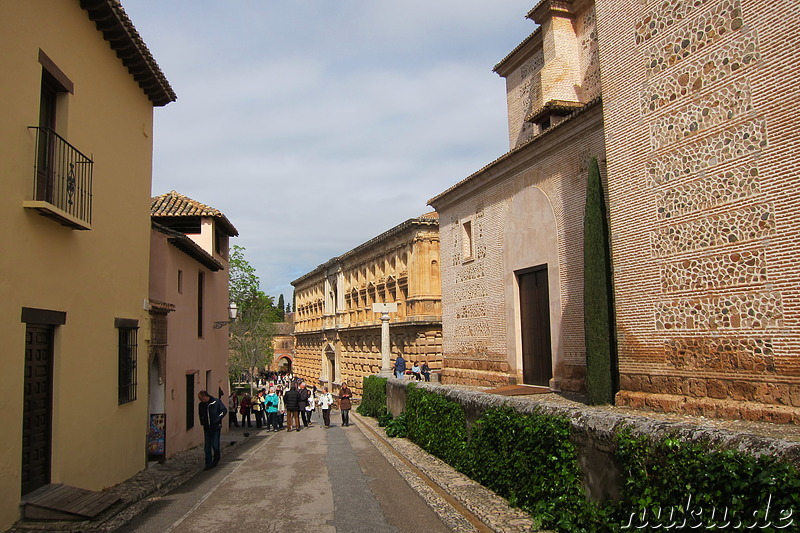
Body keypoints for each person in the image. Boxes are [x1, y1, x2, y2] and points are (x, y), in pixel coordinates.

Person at [198, 390, 227, 470]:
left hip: (216, 427)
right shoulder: (201, 405)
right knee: (207, 446)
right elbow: (200, 414)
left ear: (205, 396)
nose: (201, 401)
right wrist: (202, 421)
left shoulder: (216, 402)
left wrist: (218, 419)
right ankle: (208, 463)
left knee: (215, 445)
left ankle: (216, 459)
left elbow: (224, 410)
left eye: (201, 398)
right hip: (207, 428)